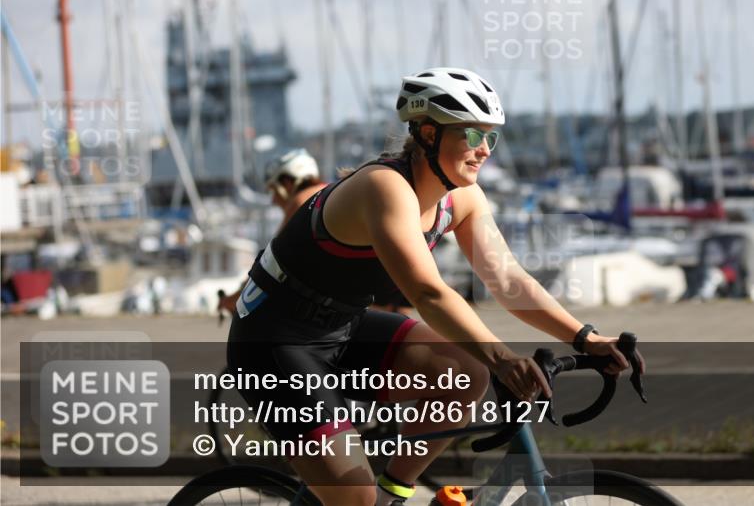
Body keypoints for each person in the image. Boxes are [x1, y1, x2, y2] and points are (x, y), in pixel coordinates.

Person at [227, 67, 641, 506]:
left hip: (342, 327)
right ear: (427, 133)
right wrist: (503, 357)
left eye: (491, 138)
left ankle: (393, 492)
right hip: (274, 342)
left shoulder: (461, 196)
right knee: (354, 499)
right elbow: (428, 293)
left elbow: (507, 279)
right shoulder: (384, 187)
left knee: (465, 373)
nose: (484, 150)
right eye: (471, 135)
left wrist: (585, 337)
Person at [218, 149, 415, 315]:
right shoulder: (330, 192)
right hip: (389, 269)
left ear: (287, 183)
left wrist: (234, 299)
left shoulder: (303, 201)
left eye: (273, 190)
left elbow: (269, 264)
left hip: (358, 288)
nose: (273, 200)